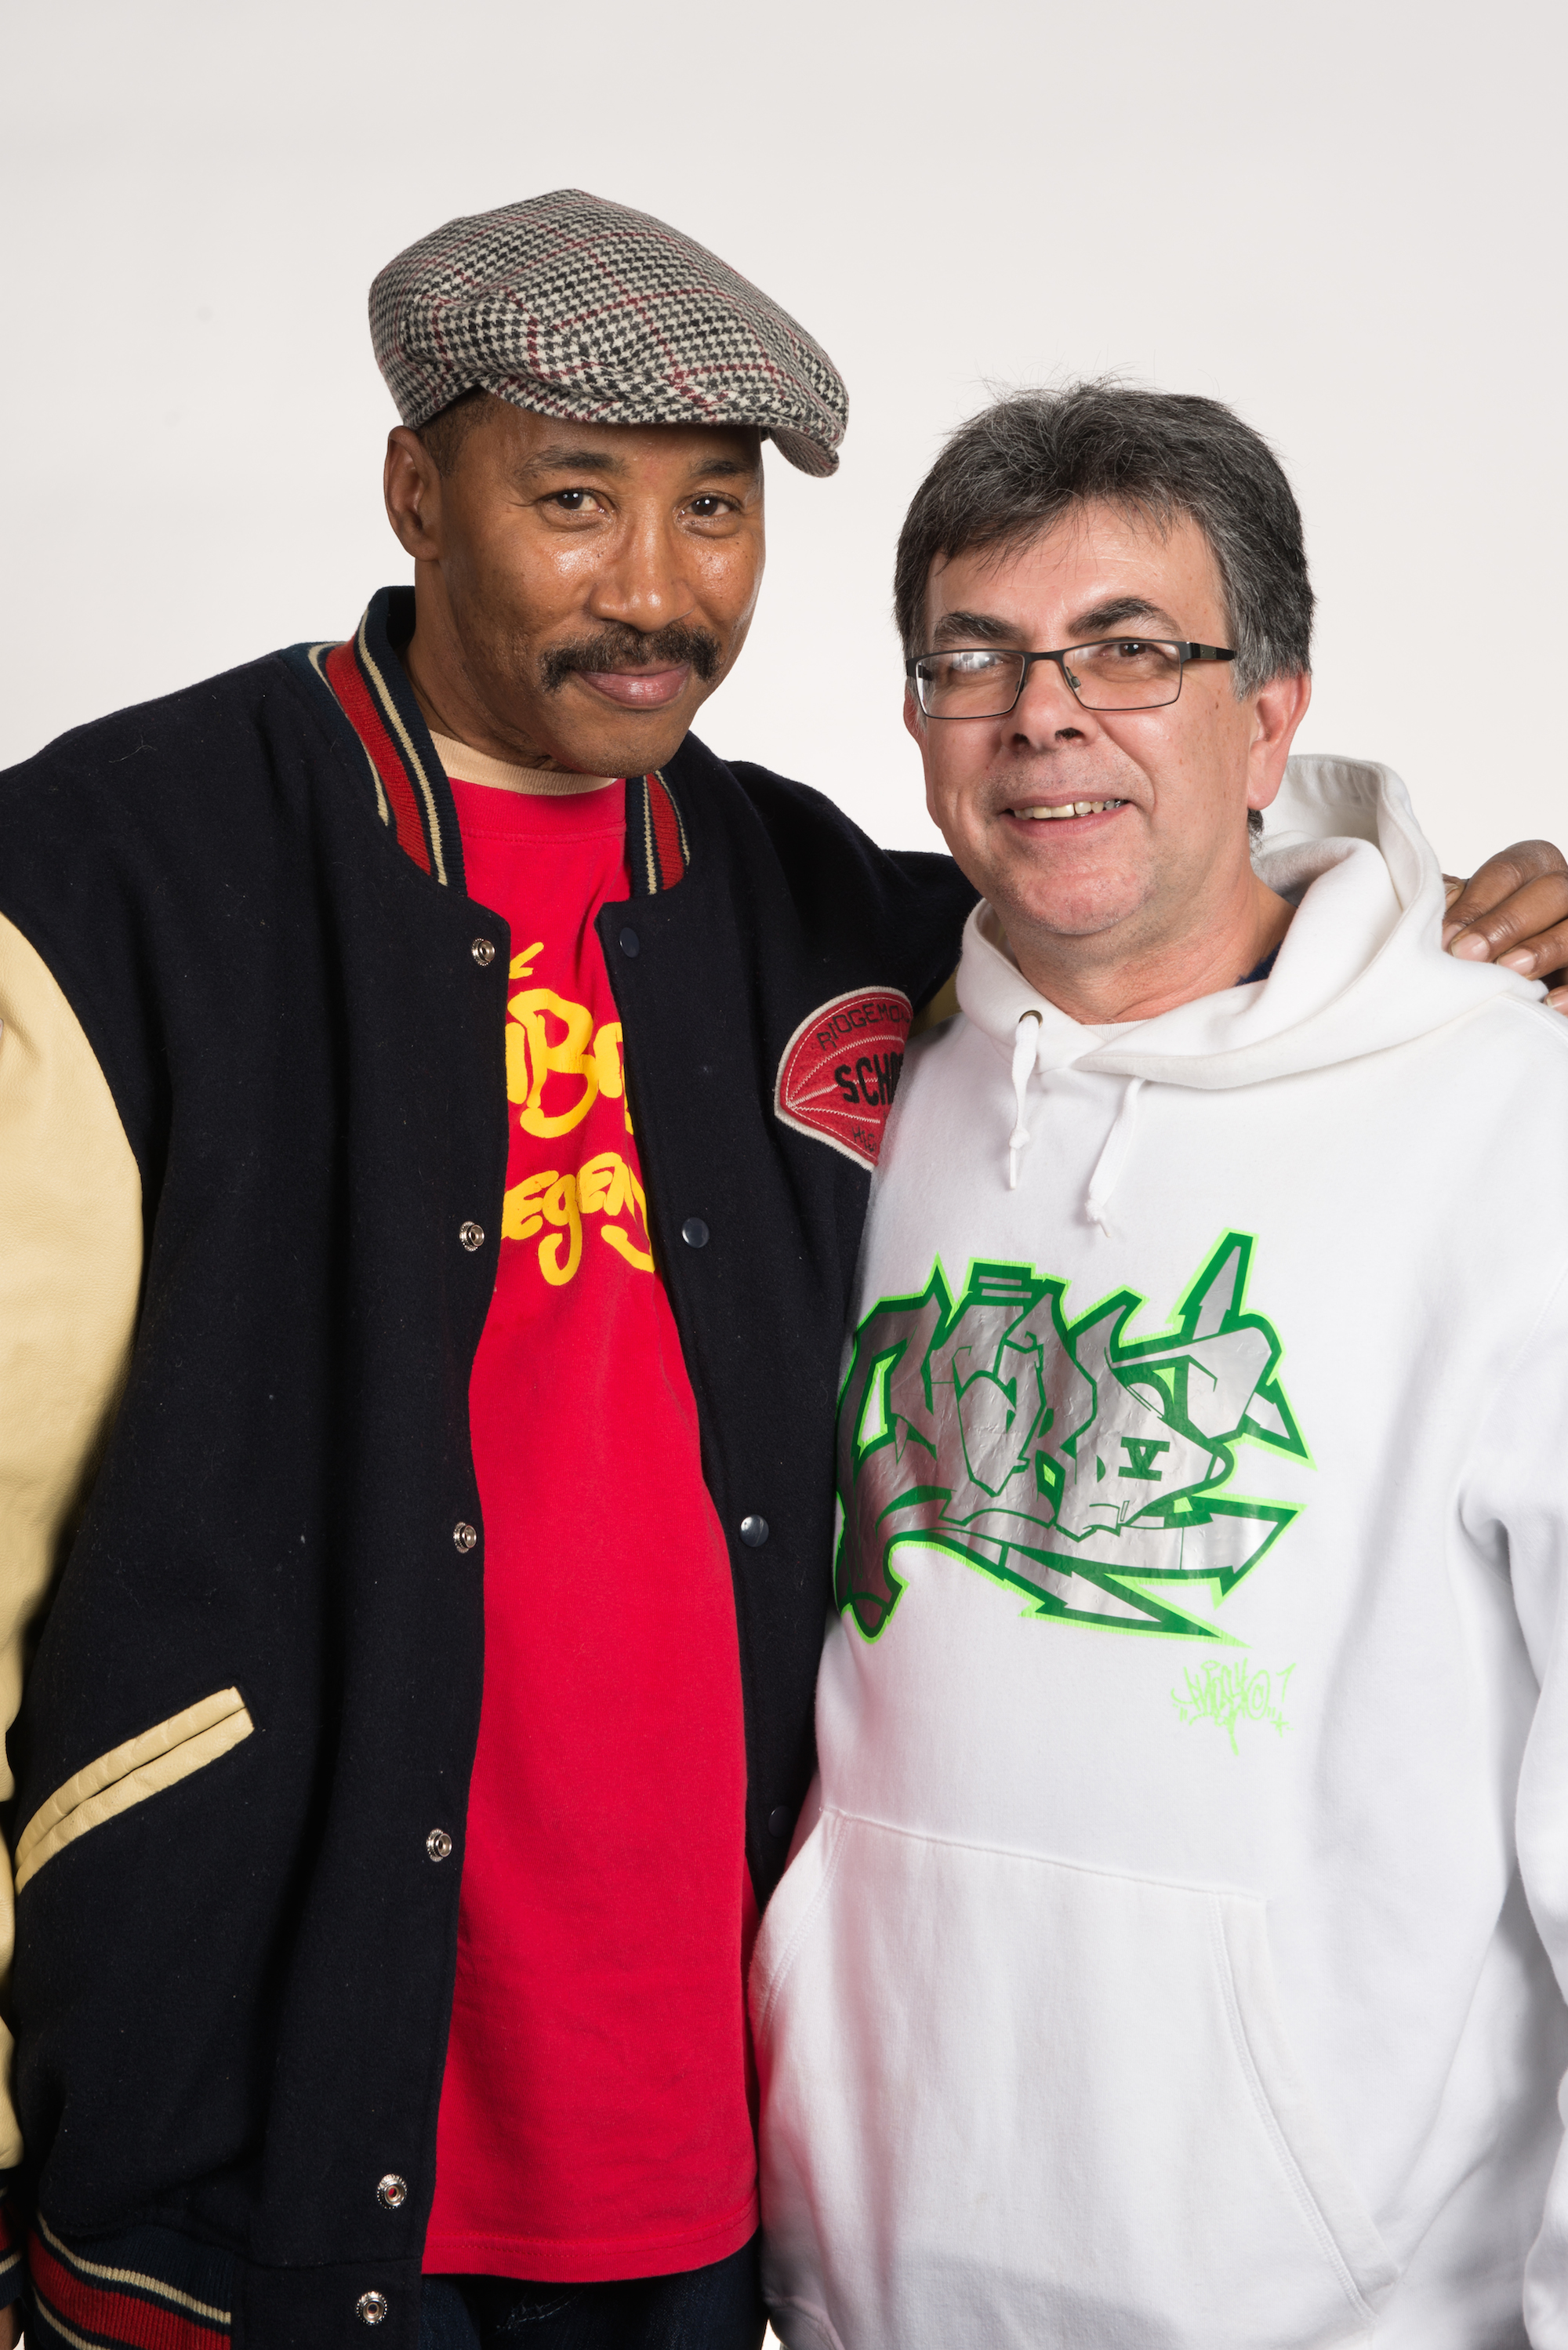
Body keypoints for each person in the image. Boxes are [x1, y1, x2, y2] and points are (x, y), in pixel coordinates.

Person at [0, 202, 1558, 2350]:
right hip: (239, 2121)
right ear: (414, 493)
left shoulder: (812, 909)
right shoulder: (116, 877)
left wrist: (1442, 917)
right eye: (574, 499)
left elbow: (1153, 900)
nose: (657, 587)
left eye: (715, 510)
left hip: (693, 2192)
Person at [751, 382, 1568, 2350]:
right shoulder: (851, 1099)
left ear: (1271, 712)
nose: (1044, 715)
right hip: (857, 2295)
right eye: (976, 656)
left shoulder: (1509, 1123)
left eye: (1128, 650)